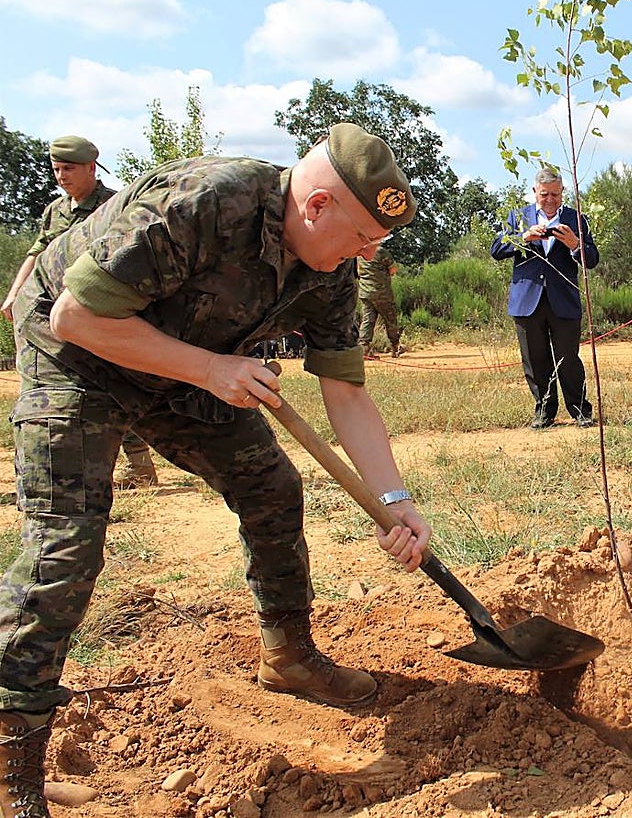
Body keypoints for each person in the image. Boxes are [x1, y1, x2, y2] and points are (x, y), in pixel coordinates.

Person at [0, 123, 431, 814]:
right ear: (316, 206)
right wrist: (211, 369)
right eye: (357, 238)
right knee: (66, 545)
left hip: (189, 365)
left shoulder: (333, 267)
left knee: (271, 487)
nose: (363, 255)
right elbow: (78, 315)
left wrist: (394, 495)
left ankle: (287, 655)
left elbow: (346, 389)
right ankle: (12, 761)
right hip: (76, 354)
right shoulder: (206, 200)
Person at [1, 135, 159, 488]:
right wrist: (15, 294)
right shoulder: (55, 212)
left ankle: (139, 465)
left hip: (101, 311)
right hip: (55, 314)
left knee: (114, 383)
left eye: (68, 168)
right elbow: (36, 252)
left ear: (91, 168)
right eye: (56, 169)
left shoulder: (115, 204)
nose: (61, 176)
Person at [491, 168, 599, 429]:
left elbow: (592, 259)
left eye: (555, 194)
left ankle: (580, 411)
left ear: (563, 192)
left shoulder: (577, 219)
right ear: (534, 193)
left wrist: (575, 244)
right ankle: (544, 412)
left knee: (568, 359)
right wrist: (524, 237)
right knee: (535, 361)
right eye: (544, 194)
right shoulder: (518, 217)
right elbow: (496, 250)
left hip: (564, 301)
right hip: (528, 302)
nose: (550, 199)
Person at [357, 250, 404, 358]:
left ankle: (364, 349)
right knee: (390, 319)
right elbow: (393, 269)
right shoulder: (380, 252)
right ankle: (395, 347)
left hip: (365, 292)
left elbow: (358, 271)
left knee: (368, 320)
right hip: (382, 292)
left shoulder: (359, 253)